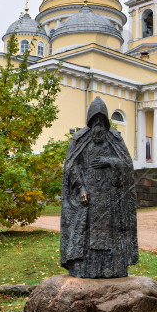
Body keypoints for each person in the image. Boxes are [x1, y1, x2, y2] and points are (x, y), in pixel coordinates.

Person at [60, 97, 138, 278]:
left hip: (110, 198)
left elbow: (126, 165)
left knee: (110, 235)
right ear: (90, 123)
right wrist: (81, 188)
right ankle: (84, 269)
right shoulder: (79, 139)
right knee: (85, 234)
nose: (99, 129)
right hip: (89, 197)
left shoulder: (115, 139)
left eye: (102, 124)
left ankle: (112, 269)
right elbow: (72, 166)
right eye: (95, 124)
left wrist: (109, 161)